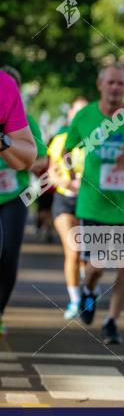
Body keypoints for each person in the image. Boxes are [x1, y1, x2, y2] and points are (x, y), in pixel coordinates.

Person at [64, 63, 124, 345]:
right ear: (100, 85)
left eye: (120, 84)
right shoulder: (85, 116)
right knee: (97, 264)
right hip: (93, 204)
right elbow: (67, 149)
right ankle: (87, 288)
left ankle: (111, 321)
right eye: (110, 83)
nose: (115, 88)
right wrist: (71, 177)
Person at [0, 68, 40, 337]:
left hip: (12, 194)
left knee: (7, 255)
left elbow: (35, 158)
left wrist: (4, 141)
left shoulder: (6, 92)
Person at [47, 97, 88, 319]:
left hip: (89, 202)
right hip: (64, 201)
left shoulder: (94, 140)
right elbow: (51, 172)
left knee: (86, 256)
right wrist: (66, 183)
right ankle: (75, 301)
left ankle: (88, 285)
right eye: (76, 112)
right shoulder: (61, 139)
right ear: (70, 114)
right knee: (73, 250)